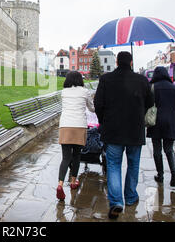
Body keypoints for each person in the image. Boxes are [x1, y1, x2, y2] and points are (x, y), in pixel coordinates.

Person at [94, 52, 154, 219]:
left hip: (113, 130)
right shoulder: (142, 80)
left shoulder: (106, 79)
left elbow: (98, 103)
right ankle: (130, 197)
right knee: (133, 164)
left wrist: (103, 121)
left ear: (117, 62)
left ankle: (116, 202)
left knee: (113, 165)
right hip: (135, 129)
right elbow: (150, 102)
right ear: (131, 62)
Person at [56, 71, 95, 201]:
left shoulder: (64, 92)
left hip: (65, 125)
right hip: (79, 125)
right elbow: (92, 109)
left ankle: (60, 184)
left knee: (65, 158)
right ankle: (73, 182)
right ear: (80, 79)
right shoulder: (85, 92)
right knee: (77, 155)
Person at [147, 66, 175, 187]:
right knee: (169, 149)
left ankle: (160, 175)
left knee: (157, 150)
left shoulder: (152, 88)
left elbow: (147, 106)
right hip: (170, 122)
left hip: (155, 122)